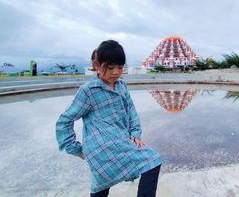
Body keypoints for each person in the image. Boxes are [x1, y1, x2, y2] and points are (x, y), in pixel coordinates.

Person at [56, 40, 162, 197]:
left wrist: (135, 134)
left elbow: (131, 111)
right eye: (110, 67)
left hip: (120, 142)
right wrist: (75, 149)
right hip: (100, 148)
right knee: (152, 160)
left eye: (120, 67)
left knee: (101, 185)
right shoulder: (89, 91)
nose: (115, 72)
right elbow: (64, 121)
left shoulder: (121, 86)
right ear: (97, 65)